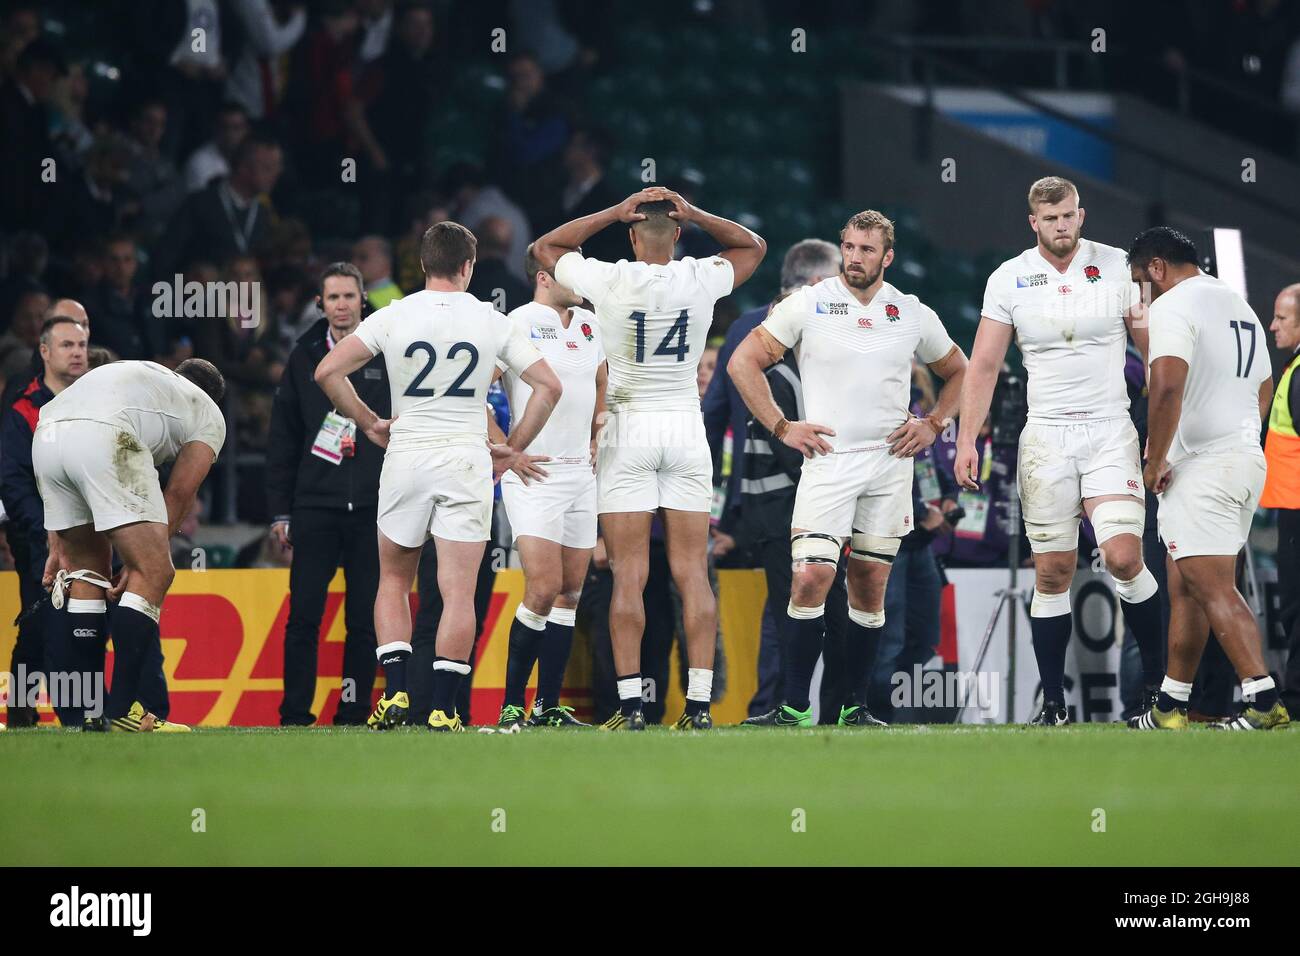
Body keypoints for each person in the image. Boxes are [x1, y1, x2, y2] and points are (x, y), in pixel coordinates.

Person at [313, 221, 561, 733]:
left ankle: (399, 694)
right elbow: (548, 387)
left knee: (394, 580)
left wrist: (368, 422)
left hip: (407, 452)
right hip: (465, 457)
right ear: (469, 267)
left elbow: (327, 372)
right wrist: (512, 449)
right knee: (457, 590)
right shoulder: (491, 320)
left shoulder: (394, 314)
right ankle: (445, 709)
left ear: (422, 265)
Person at [533, 187, 766, 730]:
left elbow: (547, 247)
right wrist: (701, 213)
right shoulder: (699, 276)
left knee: (629, 576)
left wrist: (612, 213)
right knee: (692, 575)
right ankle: (702, 708)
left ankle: (632, 707)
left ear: (634, 238)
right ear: (679, 235)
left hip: (629, 427)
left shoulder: (611, 276)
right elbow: (752, 248)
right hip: (685, 427)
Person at [729, 209, 967, 727]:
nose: (855, 257)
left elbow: (959, 371)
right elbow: (742, 362)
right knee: (811, 577)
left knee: (868, 588)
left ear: (888, 256)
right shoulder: (809, 304)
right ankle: (792, 707)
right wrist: (782, 426)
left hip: (888, 466)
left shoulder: (910, 311)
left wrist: (933, 424)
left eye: (866, 249)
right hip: (828, 464)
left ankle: (854, 709)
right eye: (850, 247)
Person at [956, 176, 1164, 726]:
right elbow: (981, 365)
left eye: (1070, 215)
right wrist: (967, 438)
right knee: (1051, 573)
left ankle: (1159, 695)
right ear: (1034, 223)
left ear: (1082, 214)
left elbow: (1157, 354)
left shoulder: (1120, 267)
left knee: (1123, 557)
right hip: (1045, 436)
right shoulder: (1009, 279)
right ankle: (1055, 706)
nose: (1063, 226)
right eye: (1051, 219)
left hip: (1109, 430)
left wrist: (1165, 432)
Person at [1127, 227, 1288, 731]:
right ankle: (1172, 706)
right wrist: (1237, 435)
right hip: (1241, 461)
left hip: (1203, 467)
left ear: (1157, 267)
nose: (1139, 295)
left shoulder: (1174, 305)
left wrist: (1155, 459)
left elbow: (1167, 386)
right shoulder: (1236, 303)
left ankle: (1263, 701)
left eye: (1139, 281)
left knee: (1214, 586)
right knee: (1187, 583)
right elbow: (1264, 385)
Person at [33, 357, 227, 732]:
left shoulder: (143, 377)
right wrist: (145, 560)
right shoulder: (207, 410)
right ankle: (123, 709)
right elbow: (181, 490)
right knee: (156, 572)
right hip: (104, 437)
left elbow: (75, 441)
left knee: (88, 575)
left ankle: (89, 711)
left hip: (47, 436)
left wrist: (56, 544)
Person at [267, 262, 388, 726]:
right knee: (304, 619)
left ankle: (353, 713)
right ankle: (295, 713)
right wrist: (280, 512)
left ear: (363, 300)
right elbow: (283, 439)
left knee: (362, 621)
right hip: (315, 505)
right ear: (320, 303)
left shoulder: (388, 351)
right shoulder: (303, 357)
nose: (341, 305)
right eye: (333, 297)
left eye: (349, 297)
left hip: (373, 508)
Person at [493, 244, 606, 730]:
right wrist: (505, 451)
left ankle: (548, 707)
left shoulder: (591, 325)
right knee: (541, 587)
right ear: (543, 275)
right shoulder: (516, 322)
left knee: (570, 593)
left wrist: (600, 433)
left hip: (581, 472)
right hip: (534, 474)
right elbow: (477, 392)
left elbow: (603, 382)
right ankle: (512, 705)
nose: (580, 279)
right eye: (569, 270)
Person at [0, 316, 89, 726]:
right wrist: (46, 532)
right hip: (39, 535)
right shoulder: (22, 407)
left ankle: (55, 712)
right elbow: (13, 480)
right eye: (67, 344)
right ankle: (59, 712)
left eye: (82, 345)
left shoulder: (94, 402)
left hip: (89, 535)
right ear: (45, 351)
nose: (76, 352)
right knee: (46, 620)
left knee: (73, 624)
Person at [1264, 283, 1300, 714]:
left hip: (1296, 510)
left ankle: (1294, 697)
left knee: (1295, 607)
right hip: (1290, 507)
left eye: (1282, 318)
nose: (1272, 325)